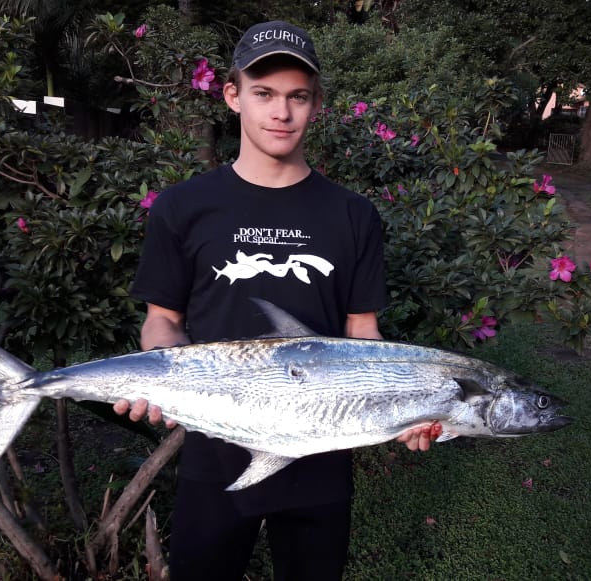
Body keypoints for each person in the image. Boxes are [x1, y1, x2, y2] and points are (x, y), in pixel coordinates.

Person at [113, 20, 433, 580]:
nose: (281, 112)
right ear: (232, 96)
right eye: (263, 93)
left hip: (324, 454)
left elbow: (363, 334)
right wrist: (157, 380)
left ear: (315, 104)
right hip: (214, 449)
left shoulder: (353, 214)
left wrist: (408, 404)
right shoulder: (183, 207)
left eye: (297, 97)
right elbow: (162, 320)